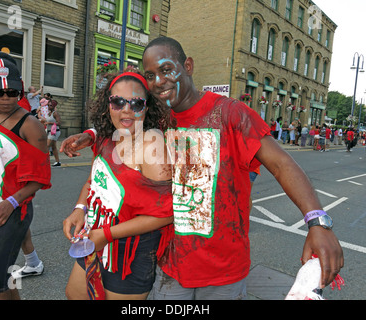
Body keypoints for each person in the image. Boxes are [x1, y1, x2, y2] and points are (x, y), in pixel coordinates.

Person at [60, 36, 343, 300]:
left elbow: (282, 164)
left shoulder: (232, 114)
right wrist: (90, 135)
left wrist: (317, 222)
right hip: (169, 267)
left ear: (188, 66)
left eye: (167, 69)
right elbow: (122, 126)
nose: (159, 81)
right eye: (151, 76)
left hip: (223, 272)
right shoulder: (159, 120)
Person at [63, 71, 173, 300]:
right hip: (95, 237)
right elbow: (93, 182)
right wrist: (80, 208)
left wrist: (107, 234)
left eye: (137, 103)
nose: (127, 109)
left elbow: (167, 214)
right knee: (74, 295)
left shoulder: (152, 146)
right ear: (107, 105)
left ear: (147, 108)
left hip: (131, 253)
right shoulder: (106, 137)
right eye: (118, 101)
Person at [0, 52, 51, 300]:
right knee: (0, 277)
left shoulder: (30, 126)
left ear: (21, 91)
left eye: (13, 92)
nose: (6, 98)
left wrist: (11, 202)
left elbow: (42, 177)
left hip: (9, 213)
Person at [41, 99, 61, 166]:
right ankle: (58, 162)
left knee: (46, 146)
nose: (49, 107)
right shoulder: (49, 113)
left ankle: (43, 161)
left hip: (54, 132)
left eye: (51, 105)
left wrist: (50, 122)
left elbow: (59, 123)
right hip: (49, 131)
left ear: (54, 106)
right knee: (53, 147)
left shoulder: (55, 113)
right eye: (48, 105)